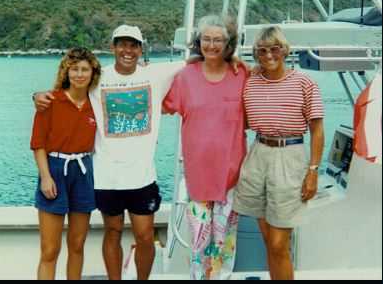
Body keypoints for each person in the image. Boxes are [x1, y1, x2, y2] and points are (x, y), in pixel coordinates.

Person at [34, 25, 184, 280]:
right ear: (113, 47)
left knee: (145, 236)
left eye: (133, 44)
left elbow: (201, 59)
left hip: (143, 176)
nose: (128, 50)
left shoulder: (158, 74)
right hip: (105, 176)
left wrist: (240, 63)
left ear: (140, 49)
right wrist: (37, 95)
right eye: (122, 44)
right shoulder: (97, 78)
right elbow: (64, 93)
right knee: (111, 232)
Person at [233, 26, 325, 280]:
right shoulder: (250, 81)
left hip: (290, 155)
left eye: (274, 49)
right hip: (258, 154)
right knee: (267, 240)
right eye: (262, 51)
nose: (268, 55)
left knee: (278, 243)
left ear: (284, 51)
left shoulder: (304, 83)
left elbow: (317, 130)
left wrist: (313, 172)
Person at [162, 15, 250, 280]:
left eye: (218, 40)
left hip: (231, 176)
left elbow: (267, 91)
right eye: (206, 39)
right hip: (198, 178)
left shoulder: (241, 73)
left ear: (228, 44)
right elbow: (157, 99)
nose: (211, 45)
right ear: (198, 42)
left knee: (225, 245)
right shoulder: (185, 76)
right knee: (199, 244)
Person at [30, 47, 101, 280]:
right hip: (55, 170)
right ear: (66, 72)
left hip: (83, 171)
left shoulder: (97, 104)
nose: (79, 75)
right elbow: (38, 143)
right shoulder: (49, 102)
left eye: (84, 70)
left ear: (93, 74)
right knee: (50, 250)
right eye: (74, 70)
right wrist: (46, 177)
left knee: (77, 244)